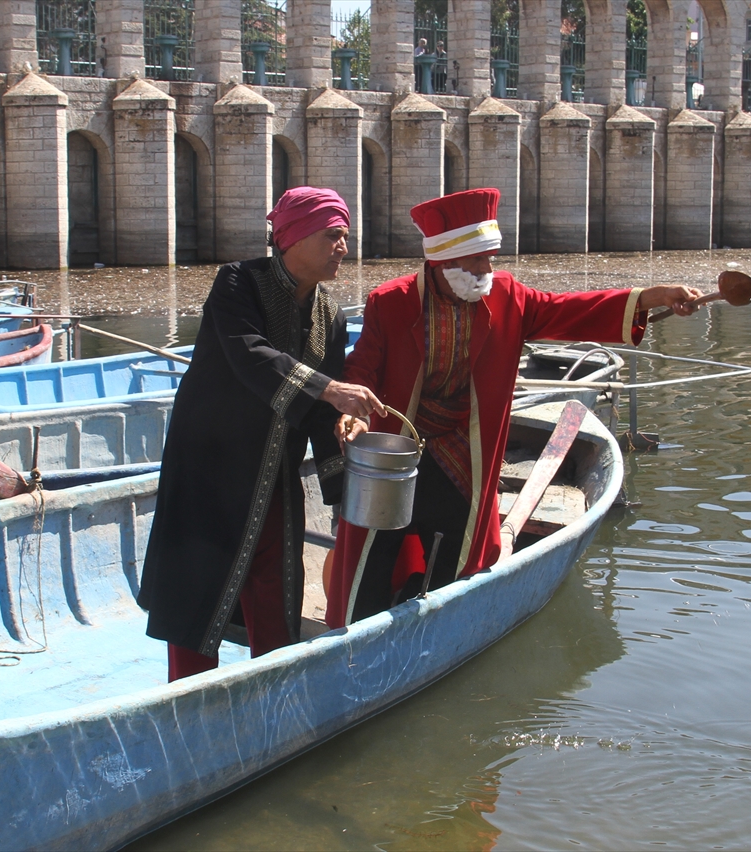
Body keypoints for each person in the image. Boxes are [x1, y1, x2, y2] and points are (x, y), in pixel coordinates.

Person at [323, 189, 701, 628]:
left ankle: (430, 620)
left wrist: (651, 297)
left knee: (455, 553)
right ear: (446, 259)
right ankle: (353, 636)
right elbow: (363, 367)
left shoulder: (506, 295)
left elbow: (568, 310)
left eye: (491, 258)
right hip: (398, 450)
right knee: (373, 550)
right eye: (479, 259)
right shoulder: (392, 301)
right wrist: (354, 411)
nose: (488, 269)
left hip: (466, 452)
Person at [137, 187, 385, 682]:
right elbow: (250, 354)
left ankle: (273, 686)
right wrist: (330, 388)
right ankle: (188, 696)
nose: (343, 246)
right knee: (199, 586)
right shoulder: (237, 283)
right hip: (210, 469)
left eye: (345, 236)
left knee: (276, 585)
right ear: (293, 238)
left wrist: (342, 433)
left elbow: (319, 408)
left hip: (275, 474)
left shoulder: (330, 314)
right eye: (333, 235)